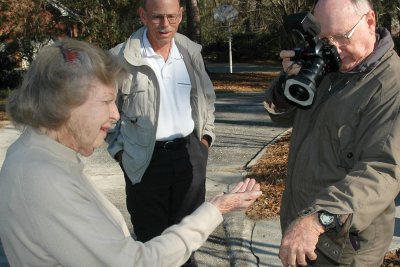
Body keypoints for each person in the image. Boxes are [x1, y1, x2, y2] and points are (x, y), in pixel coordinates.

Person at [0, 38, 262, 266]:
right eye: (105, 102)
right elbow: (138, 262)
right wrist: (216, 209)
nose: (115, 115)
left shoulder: (36, 154)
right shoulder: (44, 179)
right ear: (63, 105)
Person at [264, 0, 400, 266]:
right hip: (302, 229)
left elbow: (381, 170)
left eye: (341, 36)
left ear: (370, 21)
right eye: (324, 38)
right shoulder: (331, 65)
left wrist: (318, 219)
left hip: (343, 246)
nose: (333, 48)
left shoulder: (391, 86)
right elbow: (282, 115)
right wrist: (287, 83)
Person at [106, 0, 215, 265]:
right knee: (150, 246)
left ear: (180, 15)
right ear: (143, 16)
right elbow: (106, 112)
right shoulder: (120, 58)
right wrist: (121, 154)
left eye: (171, 17)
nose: (165, 25)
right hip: (144, 162)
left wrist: (204, 142)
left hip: (189, 156)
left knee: (188, 241)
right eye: (157, 17)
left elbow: (207, 99)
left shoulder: (190, 52)